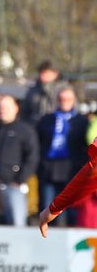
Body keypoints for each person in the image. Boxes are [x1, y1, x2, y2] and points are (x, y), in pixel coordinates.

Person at [0, 95, 39, 226]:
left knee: (16, 223)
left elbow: (32, 157)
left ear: (16, 108)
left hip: (14, 186)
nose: (3, 110)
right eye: (0, 107)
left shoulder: (25, 131)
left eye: (6, 107)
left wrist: (20, 179)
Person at [35, 85, 88, 227]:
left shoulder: (81, 121)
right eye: (61, 99)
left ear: (73, 100)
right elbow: (38, 142)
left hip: (71, 172)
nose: (64, 102)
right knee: (48, 209)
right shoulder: (46, 120)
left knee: (72, 212)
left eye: (68, 99)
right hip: (49, 171)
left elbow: (85, 145)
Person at [22, 60, 62, 126]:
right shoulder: (33, 91)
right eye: (41, 73)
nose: (43, 76)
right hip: (35, 126)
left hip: (55, 126)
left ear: (55, 74)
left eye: (46, 73)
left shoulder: (62, 91)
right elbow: (24, 112)